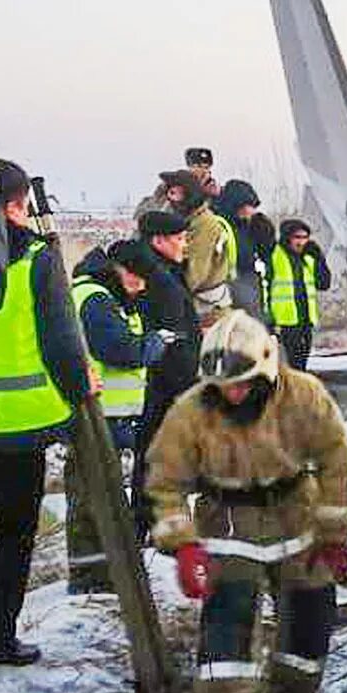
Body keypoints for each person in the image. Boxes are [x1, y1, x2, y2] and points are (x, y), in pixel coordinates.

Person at [144, 312, 347, 693]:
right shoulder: (190, 411)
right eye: (223, 387)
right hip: (227, 522)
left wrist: (333, 535)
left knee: (311, 613)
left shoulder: (304, 396)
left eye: (241, 385)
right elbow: (164, 481)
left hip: (296, 513)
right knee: (229, 621)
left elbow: (337, 461)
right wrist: (183, 545)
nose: (233, 394)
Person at [0, 158, 94, 664]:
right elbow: (62, 343)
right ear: (15, 205)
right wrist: (80, 396)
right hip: (18, 429)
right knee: (11, 538)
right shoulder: (36, 259)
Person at [66, 241, 171, 593]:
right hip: (94, 415)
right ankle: (89, 579)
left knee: (104, 498)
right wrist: (153, 345)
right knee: (91, 498)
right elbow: (120, 349)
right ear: (120, 269)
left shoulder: (108, 295)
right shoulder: (95, 298)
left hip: (110, 415)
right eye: (138, 279)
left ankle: (102, 573)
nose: (142, 287)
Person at [131, 209, 199, 536]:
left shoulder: (165, 270)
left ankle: (150, 522)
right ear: (158, 241)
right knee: (157, 456)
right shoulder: (157, 278)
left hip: (168, 380)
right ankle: (150, 524)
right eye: (180, 238)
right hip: (165, 383)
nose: (185, 244)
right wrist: (187, 385)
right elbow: (170, 336)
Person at [159, 167, 238, 326]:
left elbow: (195, 276)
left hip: (209, 314)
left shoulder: (204, 225)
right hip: (198, 311)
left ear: (189, 195)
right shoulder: (187, 222)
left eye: (175, 194)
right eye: (169, 193)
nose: (171, 200)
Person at [267, 219, 331, 371]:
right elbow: (266, 287)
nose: (301, 242)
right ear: (287, 238)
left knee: (301, 365)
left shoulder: (309, 257)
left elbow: (324, 284)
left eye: (305, 237)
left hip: (305, 320)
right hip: (284, 322)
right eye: (297, 237)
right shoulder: (275, 255)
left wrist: (320, 259)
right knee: (287, 367)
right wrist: (268, 319)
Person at [212, 179, 272, 320]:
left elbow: (267, 253)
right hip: (229, 284)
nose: (250, 211)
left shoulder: (250, 226)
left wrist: (266, 233)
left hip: (248, 282)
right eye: (247, 205)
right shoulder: (220, 224)